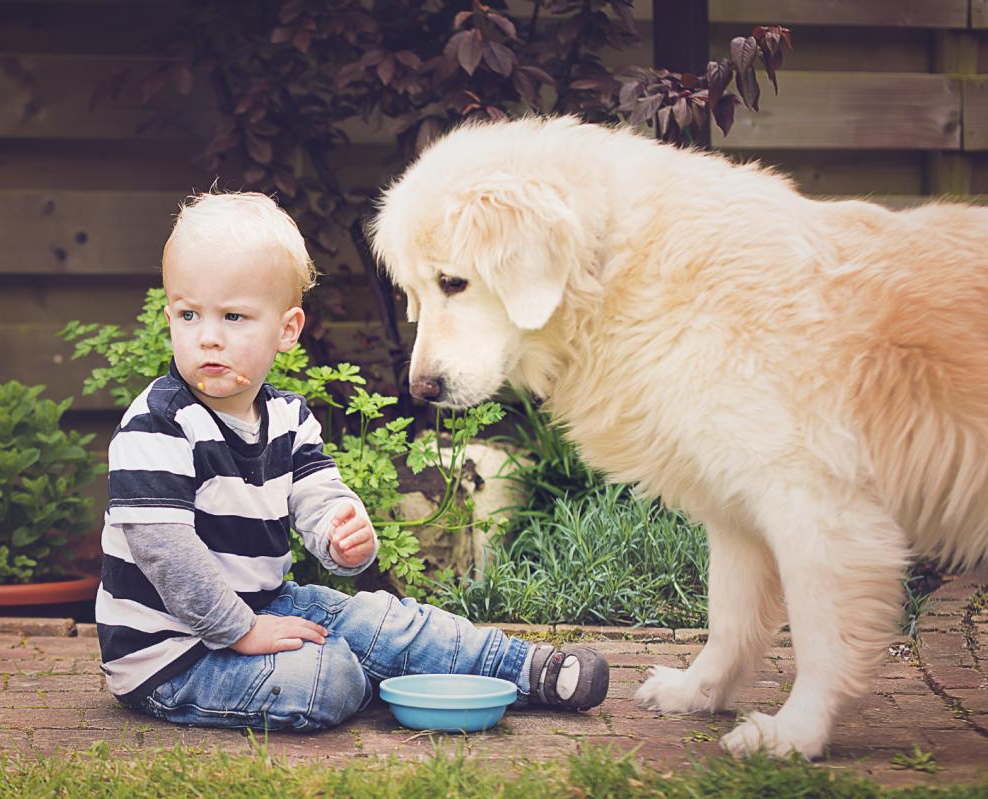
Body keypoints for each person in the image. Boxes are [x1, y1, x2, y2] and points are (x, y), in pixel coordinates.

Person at [94, 191, 609, 731]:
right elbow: (164, 552)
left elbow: (321, 501)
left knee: (386, 619)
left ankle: (527, 669)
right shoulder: (157, 423)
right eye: (189, 314)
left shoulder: (287, 418)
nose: (209, 337)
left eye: (235, 316)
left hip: (267, 607)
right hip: (174, 654)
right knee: (326, 678)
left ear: (287, 330)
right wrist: (241, 631)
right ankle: (375, 672)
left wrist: (344, 536)